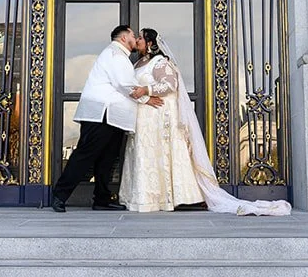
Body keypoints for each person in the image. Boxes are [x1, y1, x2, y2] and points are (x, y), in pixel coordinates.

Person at [123, 26, 291, 217]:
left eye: (140, 38)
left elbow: (170, 85)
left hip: (160, 119)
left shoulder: (160, 62)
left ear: (150, 43)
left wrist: (146, 90)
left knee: (164, 155)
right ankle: (149, 198)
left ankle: (178, 197)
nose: (137, 40)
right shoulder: (138, 65)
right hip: (145, 120)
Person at [49, 24, 146, 213]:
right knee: (85, 155)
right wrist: (148, 98)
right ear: (123, 38)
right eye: (133, 35)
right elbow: (125, 84)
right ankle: (59, 195)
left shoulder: (118, 55)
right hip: (101, 114)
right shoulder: (115, 55)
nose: (135, 38)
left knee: (107, 159)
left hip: (112, 116)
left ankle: (101, 199)